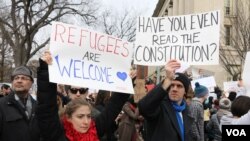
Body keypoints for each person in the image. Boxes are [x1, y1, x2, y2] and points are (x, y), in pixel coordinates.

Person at [36, 51, 130, 141]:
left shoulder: (95, 129)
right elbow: (46, 107)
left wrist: (126, 82)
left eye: (89, 116)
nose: (86, 122)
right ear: (68, 118)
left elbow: (113, 107)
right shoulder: (56, 134)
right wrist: (45, 70)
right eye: (80, 116)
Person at [138, 59, 195, 141]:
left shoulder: (187, 111)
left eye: (179, 86)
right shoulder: (160, 107)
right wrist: (167, 80)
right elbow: (144, 107)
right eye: (171, 85)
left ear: (185, 91)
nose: (174, 89)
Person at [0, 66, 41, 141]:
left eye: (24, 78)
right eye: (16, 78)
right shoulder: (1, 104)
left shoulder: (38, 106)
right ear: (12, 83)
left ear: (31, 83)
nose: (19, 81)